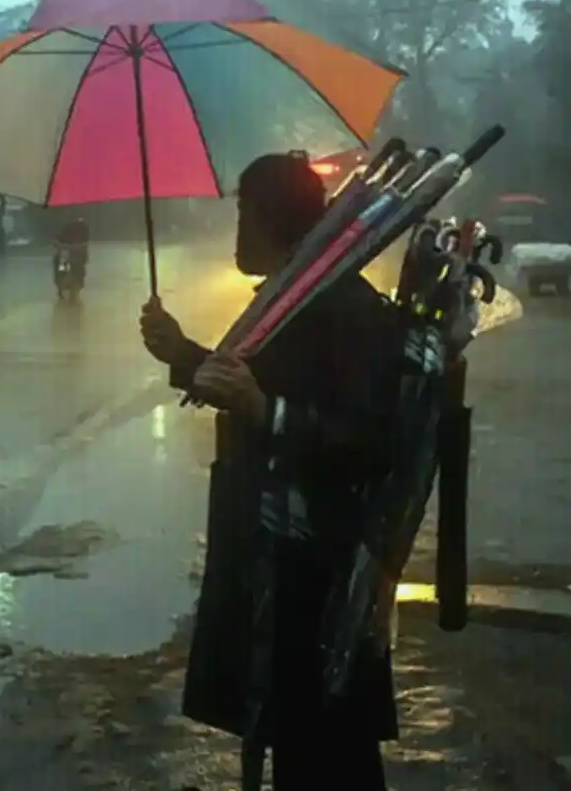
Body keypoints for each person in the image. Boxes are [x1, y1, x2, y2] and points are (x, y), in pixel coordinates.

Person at [139, 153, 398, 790]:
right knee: (299, 744)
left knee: (328, 756)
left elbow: (369, 440)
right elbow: (260, 384)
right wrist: (184, 355)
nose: (236, 229)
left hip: (319, 582)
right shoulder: (294, 299)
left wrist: (267, 410)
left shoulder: (343, 307)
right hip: (282, 574)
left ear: (271, 216)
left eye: (242, 212)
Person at [53, 216, 89, 294]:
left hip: (71, 255)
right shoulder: (68, 233)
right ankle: (63, 288)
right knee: (63, 270)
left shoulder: (81, 234)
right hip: (68, 254)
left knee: (65, 270)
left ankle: (63, 289)